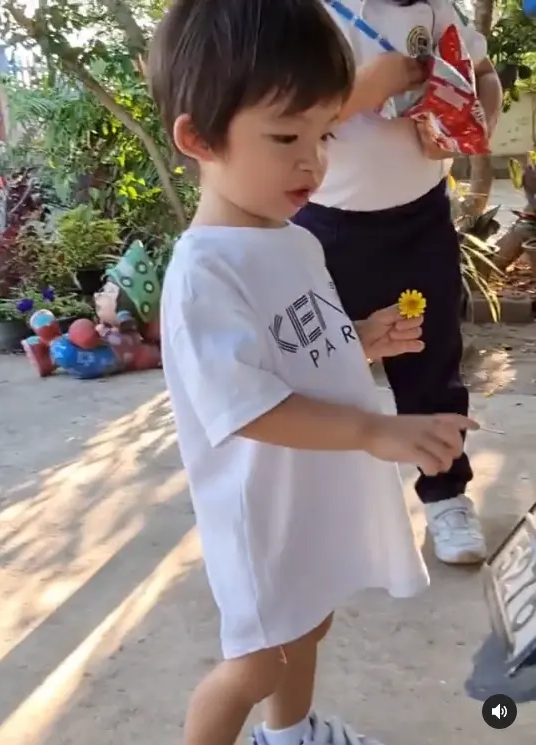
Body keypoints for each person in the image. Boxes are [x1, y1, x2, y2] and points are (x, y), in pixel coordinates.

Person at [149, 1, 479, 743]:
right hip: (262, 516)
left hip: (306, 497)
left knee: (311, 622)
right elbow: (246, 405)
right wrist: (372, 430)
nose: (312, 161)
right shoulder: (206, 271)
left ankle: (291, 734)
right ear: (198, 139)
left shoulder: (291, 239)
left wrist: (357, 340)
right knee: (255, 666)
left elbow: (289, 351)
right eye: (284, 137)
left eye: (324, 133)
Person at [293, 0, 502, 566]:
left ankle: (446, 495)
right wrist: (365, 90)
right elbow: (280, 121)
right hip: (323, 225)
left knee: (432, 362)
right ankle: (324, 505)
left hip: (421, 218)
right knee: (321, 366)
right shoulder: (302, 14)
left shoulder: (432, 7)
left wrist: (474, 124)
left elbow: (483, 74)